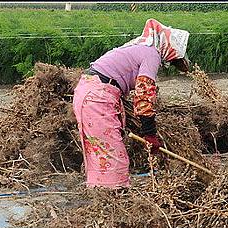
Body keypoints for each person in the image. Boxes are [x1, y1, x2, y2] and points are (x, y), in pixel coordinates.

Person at [73, 19, 190, 189]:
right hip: (97, 98)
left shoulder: (139, 48)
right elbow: (144, 94)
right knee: (114, 154)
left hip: (89, 92)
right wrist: (150, 134)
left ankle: (102, 194)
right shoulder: (152, 54)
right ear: (169, 47)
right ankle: (113, 197)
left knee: (100, 151)